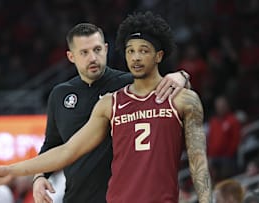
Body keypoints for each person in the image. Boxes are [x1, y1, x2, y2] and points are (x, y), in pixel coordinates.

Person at [0, 11, 211, 203]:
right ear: (71, 56)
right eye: (130, 51)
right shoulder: (108, 102)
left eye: (143, 51)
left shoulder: (174, 95)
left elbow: (198, 161)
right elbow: (64, 149)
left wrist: (182, 75)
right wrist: (13, 171)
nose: (136, 58)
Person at [33, 22, 191, 203]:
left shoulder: (130, 83)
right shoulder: (59, 95)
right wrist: (39, 176)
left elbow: (173, 89)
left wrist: (183, 77)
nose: (93, 57)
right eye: (84, 53)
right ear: (71, 56)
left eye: (97, 49)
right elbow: (52, 143)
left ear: (106, 49)